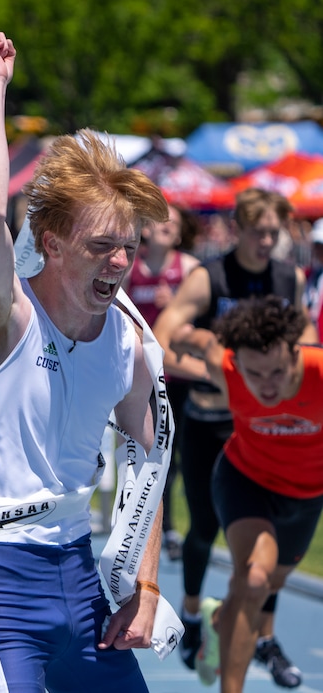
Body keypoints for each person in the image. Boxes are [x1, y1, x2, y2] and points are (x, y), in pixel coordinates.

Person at [0, 32, 170, 693]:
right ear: (53, 244)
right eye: (102, 246)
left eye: (129, 247)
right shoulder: (3, 315)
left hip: (80, 584)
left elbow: (148, 459)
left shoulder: (127, 342)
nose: (121, 264)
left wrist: (146, 583)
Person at [152, 187, 317, 686]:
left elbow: (305, 338)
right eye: (258, 231)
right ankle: (205, 625)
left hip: (301, 482)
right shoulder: (211, 283)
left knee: (266, 581)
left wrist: (279, 378)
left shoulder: (295, 294)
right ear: (239, 230)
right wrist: (215, 372)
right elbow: (168, 337)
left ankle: (238, 626)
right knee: (239, 561)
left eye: (276, 232)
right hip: (229, 446)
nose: (267, 241)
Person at [169, 295, 323, 692]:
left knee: (265, 586)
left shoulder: (320, 374)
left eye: (277, 372)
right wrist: (181, 336)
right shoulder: (226, 368)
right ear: (237, 364)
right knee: (253, 580)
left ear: (295, 353)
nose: (267, 386)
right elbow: (199, 341)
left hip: (306, 496)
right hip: (245, 480)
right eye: (255, 374)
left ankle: (220, 621)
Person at [123, 204, 200, 560]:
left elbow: (204, 320)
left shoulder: (189, 270)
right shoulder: (129, 267)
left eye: (176, 222)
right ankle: (148, 525)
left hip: (181, 375)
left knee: (182, 453)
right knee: (154, 452)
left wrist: (178, 308)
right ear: (146, 230)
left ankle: (172, 528)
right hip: (146, 377)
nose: (169, 226)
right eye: (162, 220)